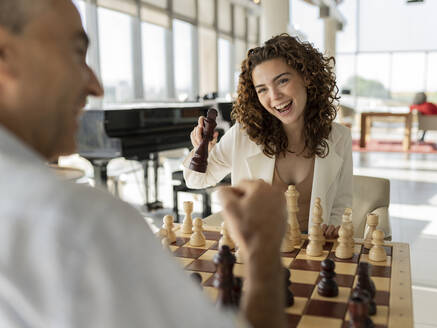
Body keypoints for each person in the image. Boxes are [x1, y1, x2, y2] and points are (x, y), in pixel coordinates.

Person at [0, 1, 286, 327]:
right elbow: (198, 176)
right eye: (76, 53)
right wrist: (264, 257)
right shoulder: (81, 222)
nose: (96, 86)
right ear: (4, 55)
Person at [184, 34, 353, 238]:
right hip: (259, 249)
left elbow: (341, 204)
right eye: (262, 89)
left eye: (282, 81)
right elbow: (195, 180)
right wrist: (202, 149)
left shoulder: (340, 137)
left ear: (306, 77)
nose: (274, 97)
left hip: (313, 253)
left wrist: (333, 227)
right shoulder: (243, 134)